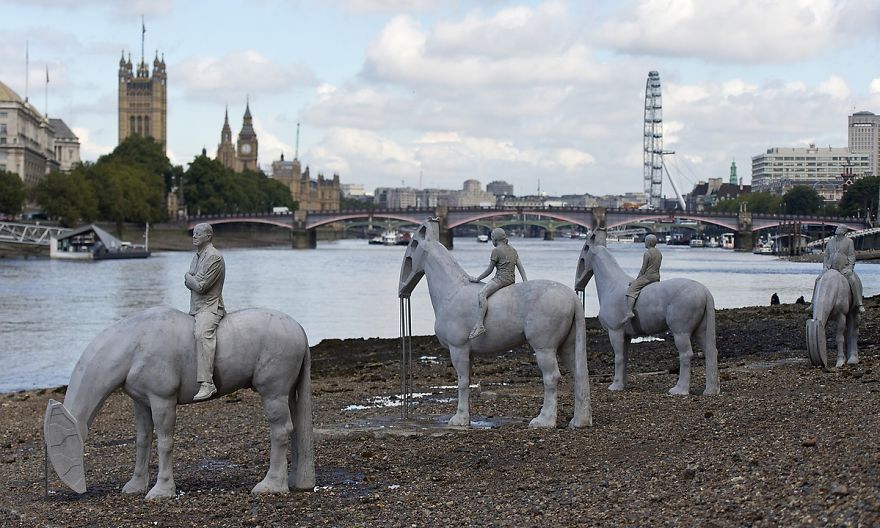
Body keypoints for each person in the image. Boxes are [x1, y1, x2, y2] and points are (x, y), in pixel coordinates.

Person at [185, 223, 226, 401]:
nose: (194, 236)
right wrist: (191, 279)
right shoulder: (197, 256)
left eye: (198, 234)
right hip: (196, 308)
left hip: (210, 307)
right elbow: (193, 280)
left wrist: (188, 278)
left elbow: (200, 286)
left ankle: (207, 383)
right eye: (193, 233)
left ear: (208, 237)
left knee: (202, 334)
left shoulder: (214, 257)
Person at [467, 227, 527, 339]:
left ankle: (479, 324)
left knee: (482, 294)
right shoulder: (513, 250)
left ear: (494, 239)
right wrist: (525, 282)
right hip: (511, 280)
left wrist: (477, 279)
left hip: (500, 280)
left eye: (492, 238)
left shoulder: (496, 251)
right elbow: (521, 268)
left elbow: (489, 270)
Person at [820, 225, 864, 313]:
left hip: (844, 268)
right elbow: (826, 256)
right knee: (818, 280)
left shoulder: (849, 242)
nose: (837, 229)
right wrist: (825, 267)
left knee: (853, 280)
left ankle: (859, 304)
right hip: (830, 268)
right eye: (837, 228)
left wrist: (850, 268)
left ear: (844, 231)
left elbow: (851, 256)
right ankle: (813, 303)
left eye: (839, 228)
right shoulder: (830, 241)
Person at [624, 234, 662, 324]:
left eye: (645, 241)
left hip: (648, 277)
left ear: (649, 243)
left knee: (631, 290)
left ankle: (629, 312)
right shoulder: (659, 253)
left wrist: (636, 281)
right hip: (657, 276)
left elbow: (643, 269)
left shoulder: (647, 253)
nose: (644, 243)